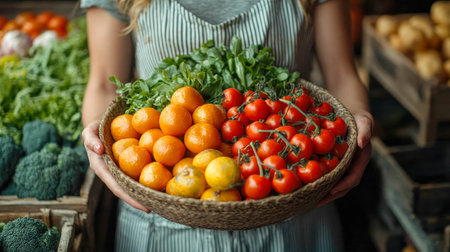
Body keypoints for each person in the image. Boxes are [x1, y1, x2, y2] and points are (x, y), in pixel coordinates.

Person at [80, 0, 374, 251]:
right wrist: (97, 135)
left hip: (293, 207)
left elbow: (342, 74)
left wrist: (359, 119)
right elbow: (104, 83)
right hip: (162, 218)